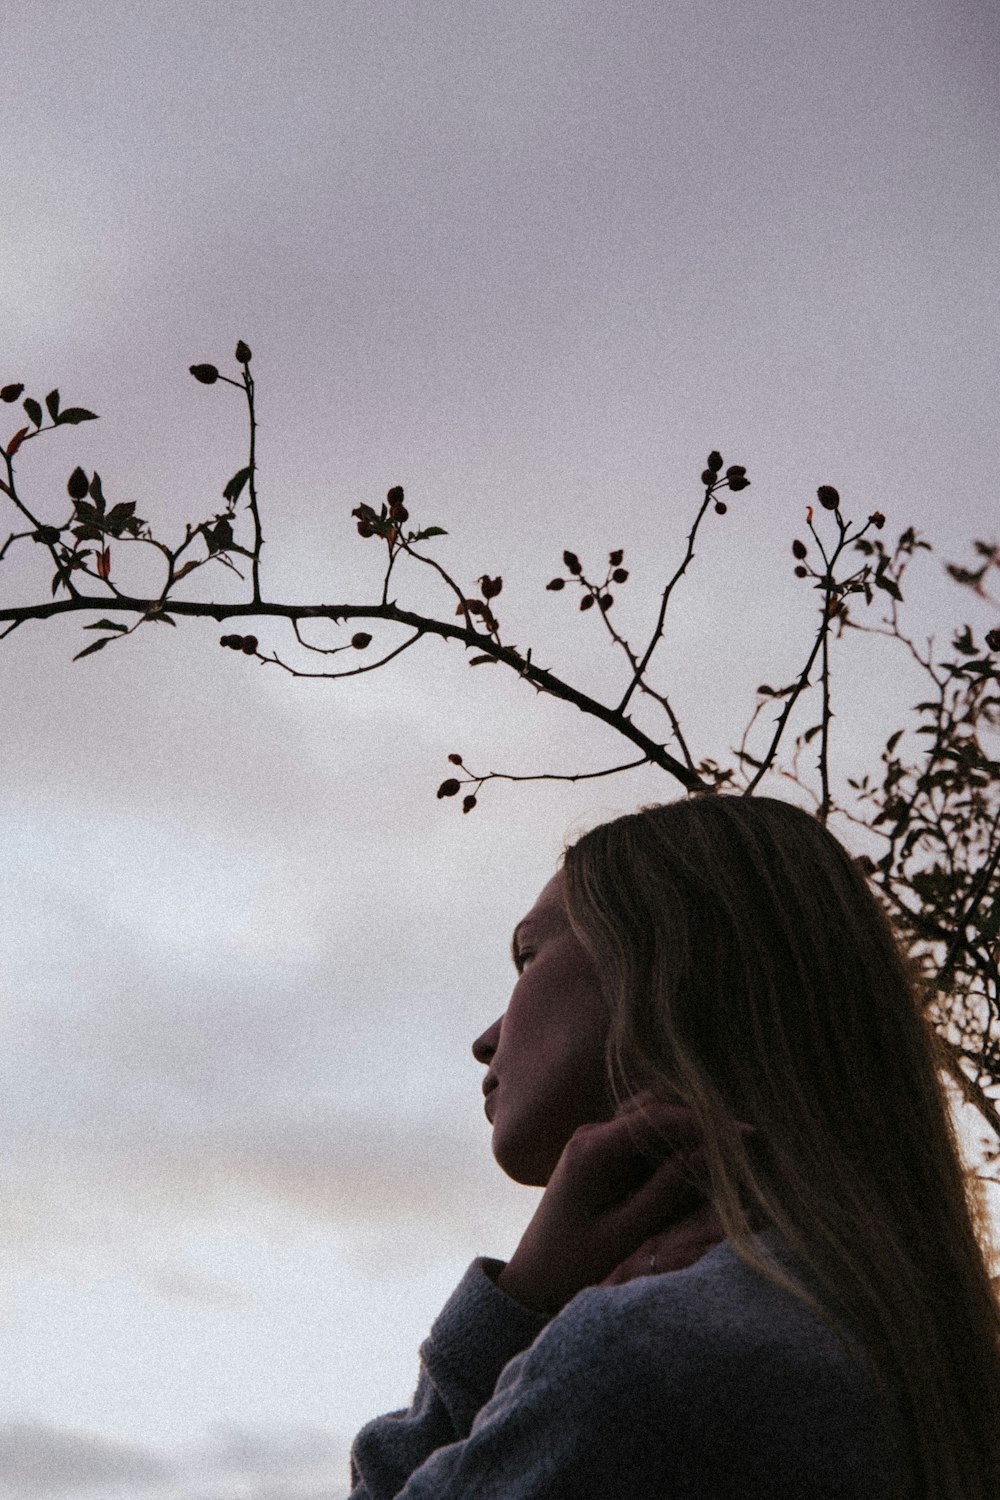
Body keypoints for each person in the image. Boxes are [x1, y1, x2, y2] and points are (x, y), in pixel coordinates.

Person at [348, 794, 1000, 1498]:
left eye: (528, 956)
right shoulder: (925, 1353)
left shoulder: (640, 1357)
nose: (485, 1040)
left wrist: (512, 1308)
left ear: (666, 970)